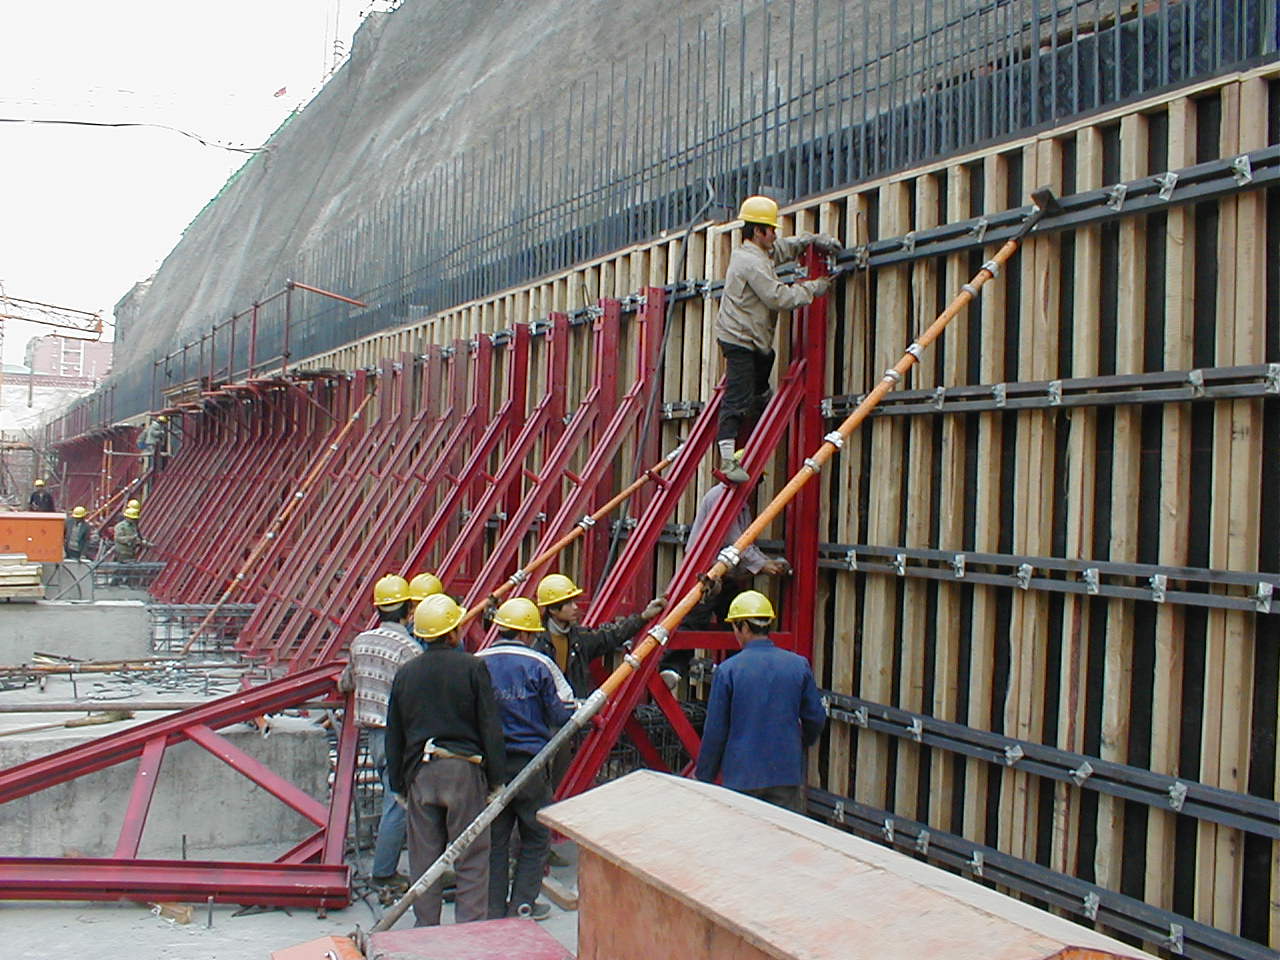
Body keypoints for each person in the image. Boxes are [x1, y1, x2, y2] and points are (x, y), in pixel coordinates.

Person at [386, 593, 506, 926]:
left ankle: (426, 931)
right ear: (452, 632)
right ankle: (467, 935)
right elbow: (489, 725)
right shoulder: (472, 667)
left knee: (424, 860)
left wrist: (398, 783)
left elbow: (394, 731)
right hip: (463, 772)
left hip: (420, 774)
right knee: (471, 858)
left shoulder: (406, 673)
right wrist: (496, 779)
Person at [714, 196, 838, 482]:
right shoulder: (750, 262)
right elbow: (777, 296)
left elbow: (783, 248)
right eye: (771, 230)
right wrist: (814, 289)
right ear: (758, 231)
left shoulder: (759, 252)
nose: (775, 234)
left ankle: (760, 399)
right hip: (739, 339)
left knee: (765, 363)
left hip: (754, 338)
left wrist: (812, 240)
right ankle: (728, 460)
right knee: (737, 397)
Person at [476, 597, 574, 921]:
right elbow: (562, 712)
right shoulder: (539, 664)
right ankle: (522, 905)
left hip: (490, 766)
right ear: (526, 634)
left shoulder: (477, 662)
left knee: (496, 840)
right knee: (535, 836)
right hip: (529, 764)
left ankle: (493, 908)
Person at [694, 590, 826, 814]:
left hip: (741, 777)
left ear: (743, 627)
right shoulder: (798, 665)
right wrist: (798, 743)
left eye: (734, 627)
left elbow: (715, 731)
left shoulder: (729, 671)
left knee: (744, 842)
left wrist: (704, 777)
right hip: (785, 774)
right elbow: (816, 717)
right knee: (784, 842)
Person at [337, 574, 421, 901]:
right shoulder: (409, 649)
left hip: (372, 733)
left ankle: (386, 868)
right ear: (408, 609)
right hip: (398, 736)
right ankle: (383, 873)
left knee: (393, 797)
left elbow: (346, 683)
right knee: (397, 803)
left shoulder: (361, 642)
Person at [683, 450, 790, 631]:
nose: (758, 484)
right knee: (693, 624)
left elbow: (746, 541)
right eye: (757, 479)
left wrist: (764, 562)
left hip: (722, 572)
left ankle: (735, 656)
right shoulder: (721, 497)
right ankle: (675, 659)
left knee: (734, 623)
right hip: (708, 573)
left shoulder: (739, 502)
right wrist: (763, 564)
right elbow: (735, 541)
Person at [531, 573, 665, 698]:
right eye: (568, 603)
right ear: (553, 609)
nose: (575, 607)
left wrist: (643, 617)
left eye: (574, 601)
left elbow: (612, 635)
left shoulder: (579, 638)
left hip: (571, 714)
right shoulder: (536, 644)